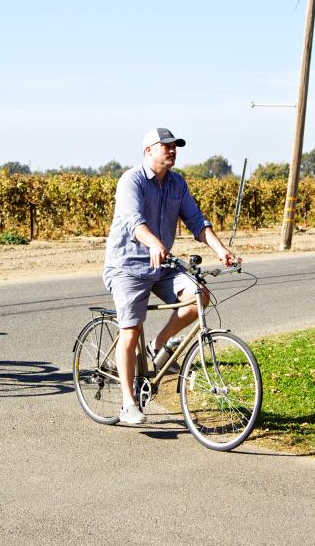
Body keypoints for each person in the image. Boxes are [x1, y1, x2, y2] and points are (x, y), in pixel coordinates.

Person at [102, 127, 241, 425]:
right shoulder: (131, 181)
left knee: (199, 296)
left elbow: (196, 220)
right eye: (164, 145)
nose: (171, 149)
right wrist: (153, 242)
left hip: (162, 263)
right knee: (131, 330)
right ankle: (128, 403)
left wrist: (221, 250)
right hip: (127, 265)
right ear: (148, 151)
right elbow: (133, 222)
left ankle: (158, 346)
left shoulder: (177, 183)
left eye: (174, 146)